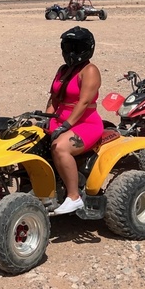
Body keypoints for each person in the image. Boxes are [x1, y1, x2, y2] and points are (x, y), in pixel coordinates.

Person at [46, 26, 104, 215]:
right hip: (60, 121)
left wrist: (66, 125)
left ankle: (74, 197)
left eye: (75, 47)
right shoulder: (63, 70)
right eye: (68, 46)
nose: (70, 52)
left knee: (60, 147)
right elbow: (54, 98)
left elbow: (84, 101)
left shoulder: (90, 70)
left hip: (85, 123)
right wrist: (47, 119)